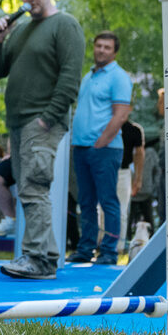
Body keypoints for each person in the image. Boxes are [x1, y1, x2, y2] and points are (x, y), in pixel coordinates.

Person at [0, 0, 87, 279]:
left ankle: (38, 259)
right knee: (30, 189)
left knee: (33, 188)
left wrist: (48, 118)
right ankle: (45, 257)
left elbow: (70, 77)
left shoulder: (65, 25)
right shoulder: (21, 31)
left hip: (41, 121)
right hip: (18, 123)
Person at [69, 31, 133, 265]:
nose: (101, 50)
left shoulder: (118, 77)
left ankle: (108, 251)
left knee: (108, 201)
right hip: (81, 147)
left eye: (107, 47)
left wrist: (100, 143)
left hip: (105, 149)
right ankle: (85, 249)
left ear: (114, 52)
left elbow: (121, 115)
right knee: (85, 202)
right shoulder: (88, 76)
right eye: (98, 46)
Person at [115, 120, 145, 259]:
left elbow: (139, 153)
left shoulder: (134, 129)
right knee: (100, 210)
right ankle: (101, 243)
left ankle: (119, 246)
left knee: (122, 210)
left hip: (123, 171)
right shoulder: (105, 123)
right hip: (106, 170)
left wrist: (138, 179)